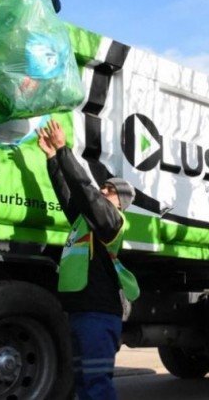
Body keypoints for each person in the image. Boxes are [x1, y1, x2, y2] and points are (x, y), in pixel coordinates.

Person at [35, 119, 139, 400]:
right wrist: (53, 160)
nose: (103, 190)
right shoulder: (87, 223)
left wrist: (64, 150)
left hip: (98, 315)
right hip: (82, 312)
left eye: (109, 190)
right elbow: (70, 197)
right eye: (103, 187)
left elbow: (85, 190)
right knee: (82, 384)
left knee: (96, 384)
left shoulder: (112, 220)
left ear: (120, 201)